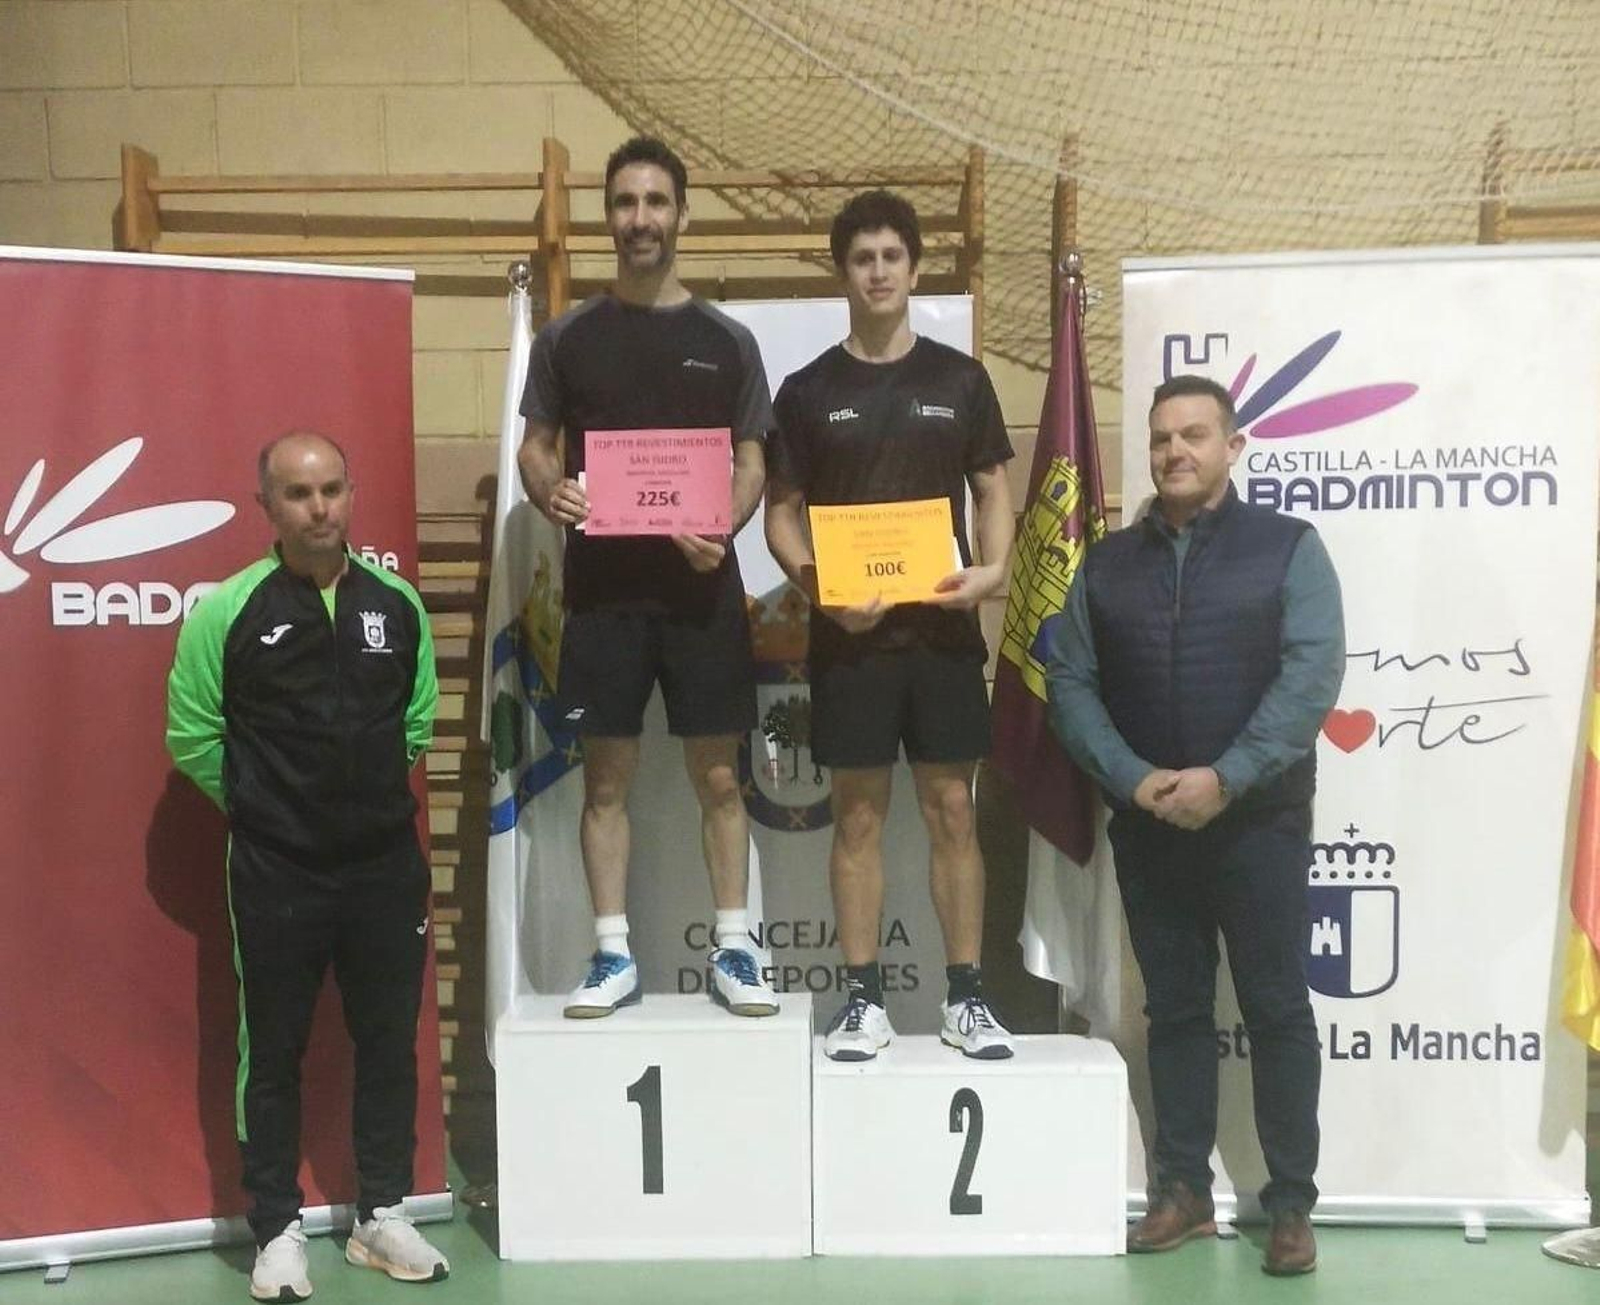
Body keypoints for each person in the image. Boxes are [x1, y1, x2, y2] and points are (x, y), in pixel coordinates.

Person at [1045, 375, 1345, 1275]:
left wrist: (1228, 777)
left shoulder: (1289, 548)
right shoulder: (1105, 566)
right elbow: (1070, 682)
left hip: (1259, 825)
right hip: (1150, 827)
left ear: (1233, 445)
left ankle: (1290, 1203)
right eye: (1161, 437)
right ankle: (1181, 1189)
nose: (1175, 451)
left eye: (1195, 435)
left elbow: (1311, 676)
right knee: (1174, 1011)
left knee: (1276, 1006)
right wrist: (1133, 781)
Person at [166, 433, 448, 1301]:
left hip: (383, 866)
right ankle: (276, 1227)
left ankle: (381, 1213)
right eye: (297, 493)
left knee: (387, 1041)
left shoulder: (397, 603)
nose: (318, 507)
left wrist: (355, 804)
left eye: (331, 489)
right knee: (275, 1049)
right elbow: (192, 734)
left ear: (351, 494)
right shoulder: (229, 611)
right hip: (276, 869)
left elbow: (416, 720)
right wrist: (269, 808)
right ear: (268, 506)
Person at [517, 135, 778, 1019]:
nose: (641, 219)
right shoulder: (566, 338)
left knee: (720, 778)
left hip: (701, 595)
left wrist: (723, 521)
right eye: (626, 203)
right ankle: (612, 953)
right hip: (602, 596)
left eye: (656, 202)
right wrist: (548, 490)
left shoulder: (727, 341)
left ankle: (735, 946)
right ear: (608, 217)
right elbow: (536, 448)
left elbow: (752, 462)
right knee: (604, 781)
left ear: (682, 215)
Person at [764, 189, 1017, 1062]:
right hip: (851, 641)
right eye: (862, 258)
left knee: (953, 810)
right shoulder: (807, 391)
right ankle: (863, 999)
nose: (878, 272)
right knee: (858, 818)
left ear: (914, 269)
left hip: (942, 635)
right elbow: (782, 515)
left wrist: (993, 569)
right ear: (844, 272)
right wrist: (818, 587)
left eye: (891, 257)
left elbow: (992, 486)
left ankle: (966, 997)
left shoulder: (960, 379)